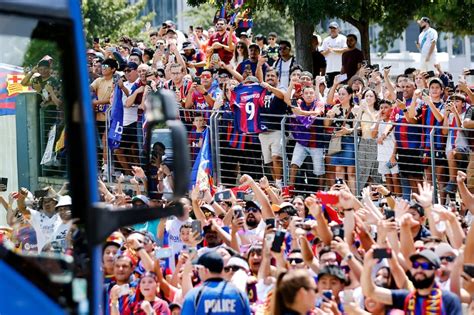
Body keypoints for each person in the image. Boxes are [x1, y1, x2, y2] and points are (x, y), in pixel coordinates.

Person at [361, 248, 462, 314]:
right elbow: (370, 291)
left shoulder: (449, 299)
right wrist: (367, 265)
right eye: (415, 265)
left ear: (437, 272)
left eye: (425, 266)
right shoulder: (406, 297)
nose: (419, 270)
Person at [181, 251, 251, 314]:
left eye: (198, 269)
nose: (198, 272)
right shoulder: (239, 294)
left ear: (205, 270)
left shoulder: (194, 295)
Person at [321, 22, 347, 88]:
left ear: (338, 29)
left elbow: (346, 49)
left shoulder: (343, 38)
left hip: (341, 69)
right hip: (329, 69)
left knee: (341, 87)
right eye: (331, 28)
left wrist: (333, 50)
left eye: (334, 28)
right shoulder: (326, 40)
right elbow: (321, 53)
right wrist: (328, 51)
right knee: (330, 88)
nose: (332, 30)